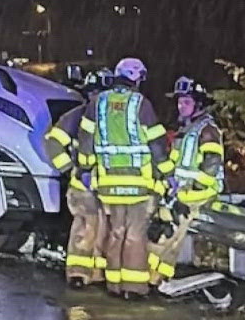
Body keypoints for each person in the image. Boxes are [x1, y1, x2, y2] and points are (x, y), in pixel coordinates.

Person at [76, 56, 171, 298]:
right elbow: (157, 145)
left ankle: (114, 284)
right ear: (135, 77)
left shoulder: (97, 103)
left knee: (116, 231)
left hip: (108, 183)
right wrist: (167, 172)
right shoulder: (141, 104)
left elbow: (86, 141)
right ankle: (134, 287)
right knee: (135, 234)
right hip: (138, 183)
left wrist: (86, 169)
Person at [149, 76, 224, 290]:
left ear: (198, 104)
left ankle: (150, 278)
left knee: (164, 233)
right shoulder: (186, 129)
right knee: (166, 234)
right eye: (180, 102)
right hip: (180, 192)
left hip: (194, 194)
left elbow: (212, 163)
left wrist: (193, 192)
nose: (181, 106)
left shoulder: (207, 130)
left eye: (187, 102)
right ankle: (158, 278)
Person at [45, 71, 106, 287]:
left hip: (108, 187)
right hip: (83, 186)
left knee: (103, 229)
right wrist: (70, 169)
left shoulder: (115, 120)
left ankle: (97, 273)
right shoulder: (76, 117)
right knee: (85, 227)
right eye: (96, 93)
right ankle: (78, 274)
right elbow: (53, 143)